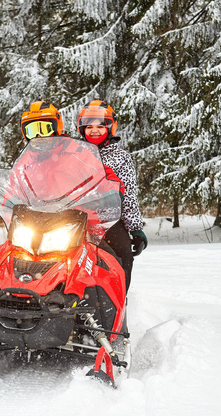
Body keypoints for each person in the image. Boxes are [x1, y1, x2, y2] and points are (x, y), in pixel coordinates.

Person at [77, 100, 146, 290]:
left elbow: (129, 194)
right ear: (82, 129)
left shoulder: (120, 158)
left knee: (122, 251)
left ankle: (119, 298)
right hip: (76, 218)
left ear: (110, 127)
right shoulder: (74, 153)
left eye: (100, 126)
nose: (94, 130)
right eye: (89, 126)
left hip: (108, 218)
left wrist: (135, 229)